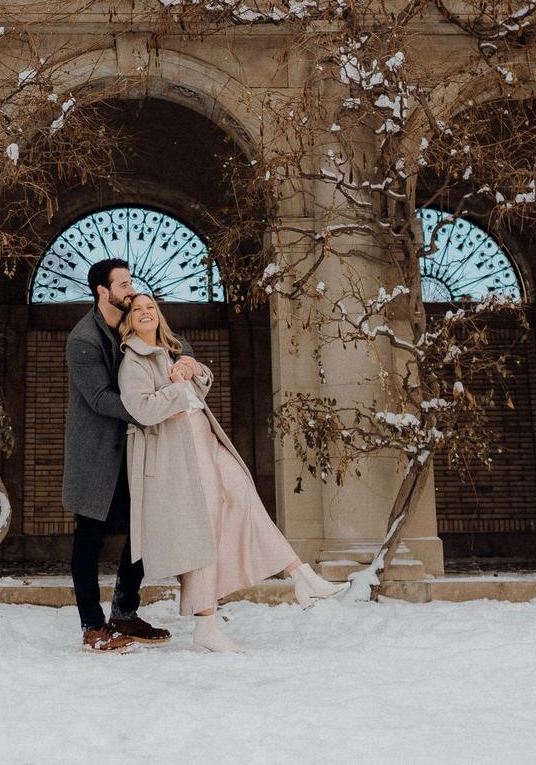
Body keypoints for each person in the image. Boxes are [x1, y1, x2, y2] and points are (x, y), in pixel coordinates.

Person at [117, 293, 345, 652]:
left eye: (150, 308)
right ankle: (205, 623)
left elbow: (200, 386)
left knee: (245, 496)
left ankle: (301, 575)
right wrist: (176, 389)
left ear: (159, 316)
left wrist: (194, 369)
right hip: (179, 458)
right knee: (205, 531)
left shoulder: (171, 349)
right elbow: (140, 408)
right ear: (129, 321)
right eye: (137, 310)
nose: (145, 313)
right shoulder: (133, 360)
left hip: (205, 442)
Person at [62, 258, 209, 653]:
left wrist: (185, 361)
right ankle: (93, 625)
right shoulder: (83, 339)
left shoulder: (133, 319)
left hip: (139, 447)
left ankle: (125, 611)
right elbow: (98, 397)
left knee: (144, 525)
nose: (131, 291)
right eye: (124, 285)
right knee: (88, 538)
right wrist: (151, 408)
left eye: (131, 283)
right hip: (96, 451)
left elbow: (168, 341)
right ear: (103, 292)